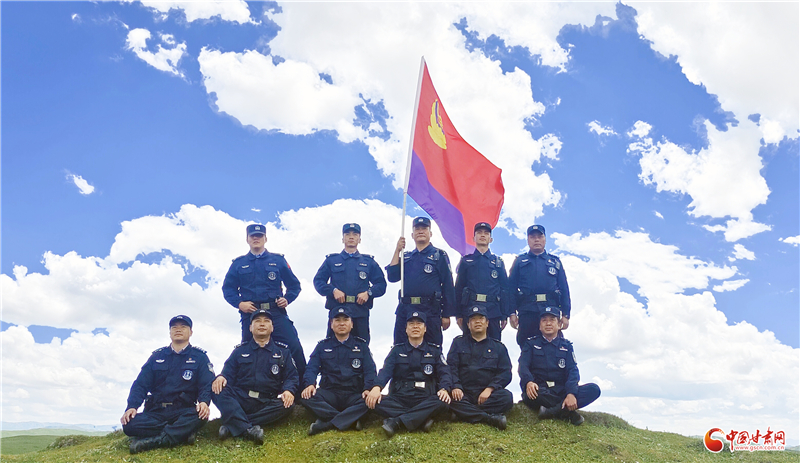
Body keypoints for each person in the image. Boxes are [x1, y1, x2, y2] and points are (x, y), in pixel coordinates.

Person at [222, 223, 307, 377]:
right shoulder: (238, 264)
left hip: (275, 312)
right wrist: (239, 304)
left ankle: (304, 387)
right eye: (252, 236)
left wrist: (287, 299)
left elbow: (294, 286)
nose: (256, 238)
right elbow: (228, 289)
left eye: (259, 236)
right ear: (247, 239)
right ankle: (243, 386)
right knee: (246, 351)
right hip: (251, 314)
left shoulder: (278, 260)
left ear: (265, 239)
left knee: (293, 345)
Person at [120, 315, 214, 454]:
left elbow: (206, 383)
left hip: (182, 410)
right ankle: (181, 433)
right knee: (129, 424)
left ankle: (154, 441)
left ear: (191, 332)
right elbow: (140, 384)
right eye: (174, 327)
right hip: (156, 411)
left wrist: (204, 402)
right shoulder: (157, 356)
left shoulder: (200, 357)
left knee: (200, 416)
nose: (178, 329)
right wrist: (132, 406)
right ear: (170, 332)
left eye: (183, 327)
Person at [212, 309, 298, 444]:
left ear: (272, 328)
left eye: (266, 321)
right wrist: (221, 377)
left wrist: (288, 390)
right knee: (217, 389)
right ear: (250, 328)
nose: (262, 324)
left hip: (266, 401)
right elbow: (227, 373)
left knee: (287, 405)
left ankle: (233, 424)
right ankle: (248, 429)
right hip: (241, 398)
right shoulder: (240, 351)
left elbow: (292, 376)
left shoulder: (283, 352)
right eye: (257, 321)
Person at [366, 311, 452, 438]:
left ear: (425, 329)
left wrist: (444, 389)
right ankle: (422, 419)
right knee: (372, 400)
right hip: (401, 397)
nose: (415, 326)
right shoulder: (396, 350)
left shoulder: (434, 351)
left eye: (419, 324)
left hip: (425, 397)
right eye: (411, 324)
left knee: (442, 402)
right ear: (406, 329)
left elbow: (445, 372)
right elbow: (385, 371)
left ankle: (396, 422)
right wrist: (376, 388)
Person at [300, 306, 377, 435]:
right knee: (305, 397)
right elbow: (311, 368)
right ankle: (350, 421)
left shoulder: (361, 346)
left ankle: (327, 424)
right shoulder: (322, 346)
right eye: (337, 320)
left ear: (352, 324)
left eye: (345, 320)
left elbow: (370, 371)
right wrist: (310, 384)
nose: (341, 323)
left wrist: (368, 388)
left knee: (368, 401)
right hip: (330, 393)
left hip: (353, 393)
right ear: (331, 324)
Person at [518, 307, 600, 425]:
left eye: (552, 320)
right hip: (540, 390)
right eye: (544, 320)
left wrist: (571, 394)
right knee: (532, 395)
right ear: (539, 325)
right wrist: (529, 382)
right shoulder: (530, 344)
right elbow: (523, 366)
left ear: (559, 324)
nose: (548, 323)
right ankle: (567, 412)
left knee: (593, 389)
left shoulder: (566, 346)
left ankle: (551, 412)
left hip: (561, 389)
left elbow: (572, 371)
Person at [385, 216, 456, 345]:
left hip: (430, 310)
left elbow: (448, 285)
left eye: (424, 228)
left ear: (430, 233)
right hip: (406, 309)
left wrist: (447, 314)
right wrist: (397, 250)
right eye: (417, 229)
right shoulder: (406, 257)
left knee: (432, 348)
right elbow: (392, 277)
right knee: (401, 347)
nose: (420, 231)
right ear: (412, 235)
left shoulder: (439, 255)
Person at [313, 223, 387, 344]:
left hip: (360, 313)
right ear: (342, 239)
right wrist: (333, 291)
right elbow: (318, 281)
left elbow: (381, 284)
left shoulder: (368, 262)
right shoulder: (331, 260)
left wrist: (368, 293)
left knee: (361, 348)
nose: (351, 237)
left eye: (355, 234)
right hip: (337, 313)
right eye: (347, 234)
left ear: (359, 239)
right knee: (333, 347)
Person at [447, 306, 513, 430]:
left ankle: (463, 413)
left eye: (481, 318)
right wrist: (456, 386)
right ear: (468, 324)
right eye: (473, 319)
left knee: (506, 397)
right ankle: (489, 418)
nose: (477, 322)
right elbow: (451, 367)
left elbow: (505, 373)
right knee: (448, 399)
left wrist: (490, 389)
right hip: (463, 392)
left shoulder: (498, 347)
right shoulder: (458, 343)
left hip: (487, 394)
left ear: (487, 323)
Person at [508, 224, 571, 347]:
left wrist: (566, 314)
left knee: (553, 347)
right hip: (527, 311)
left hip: (550, 311)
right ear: (528, 240)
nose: (536, 240)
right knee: (526, 346)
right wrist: (511, 313)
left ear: (545, 239)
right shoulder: (520, 261)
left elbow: (564, 289)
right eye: (533, 237)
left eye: (539, 236)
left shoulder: (555, 262)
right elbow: (511, 289)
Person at [454, 222, 512, 341]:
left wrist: (504, 314)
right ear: (473, 238)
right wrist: (458, 314)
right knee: (469, 346)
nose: (482, 235)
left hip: (493, 311)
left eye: (486, 233)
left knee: (494, 346)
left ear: (491, 239)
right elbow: (459, 288)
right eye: (479, 232)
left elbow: (505, 289)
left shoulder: (498, 262)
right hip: (470, 310)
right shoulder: (466, 261)